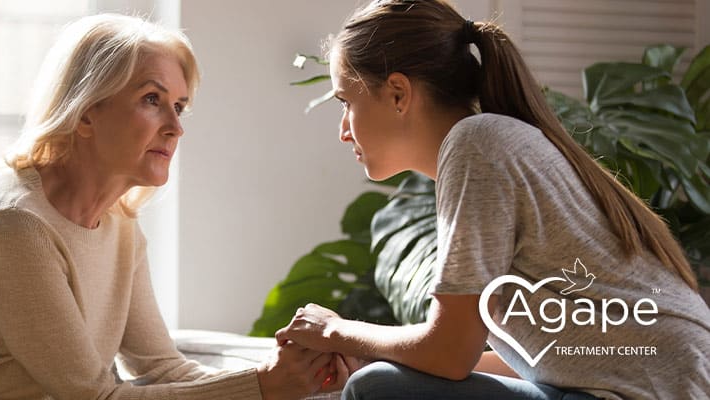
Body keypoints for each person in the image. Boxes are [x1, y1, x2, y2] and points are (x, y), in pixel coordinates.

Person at [0, 13, 342, 400]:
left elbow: (160, 367)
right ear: (87, 111)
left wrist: (281, 376)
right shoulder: (12, 227)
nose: (175, 126)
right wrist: (263, 386)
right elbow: (94, 397)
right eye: (151, 99)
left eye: (179, 106)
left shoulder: (119, 226)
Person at [274, 1, 710, 399]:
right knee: (377, 376)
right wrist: (382, 353)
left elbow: (448, 353)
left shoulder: (477, 144)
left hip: (650, 391)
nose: (343, 130)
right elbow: (534, 360)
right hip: (647, 385)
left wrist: (336, 331)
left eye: (345, 102)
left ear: (398, 94)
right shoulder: (489, 144)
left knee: (375, 389)